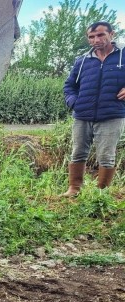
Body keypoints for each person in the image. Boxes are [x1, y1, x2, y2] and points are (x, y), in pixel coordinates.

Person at [61, 21, 125, 197]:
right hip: (82, 115)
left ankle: (101, 194)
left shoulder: (123, 56)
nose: (96, 39)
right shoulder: (82, 61)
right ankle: (74, 189)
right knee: (78, 152)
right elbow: (69, 86)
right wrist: (75, 102)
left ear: (112, 34)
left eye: (101, 35)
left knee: (106, 156)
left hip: (111, 115)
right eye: (91, 37)